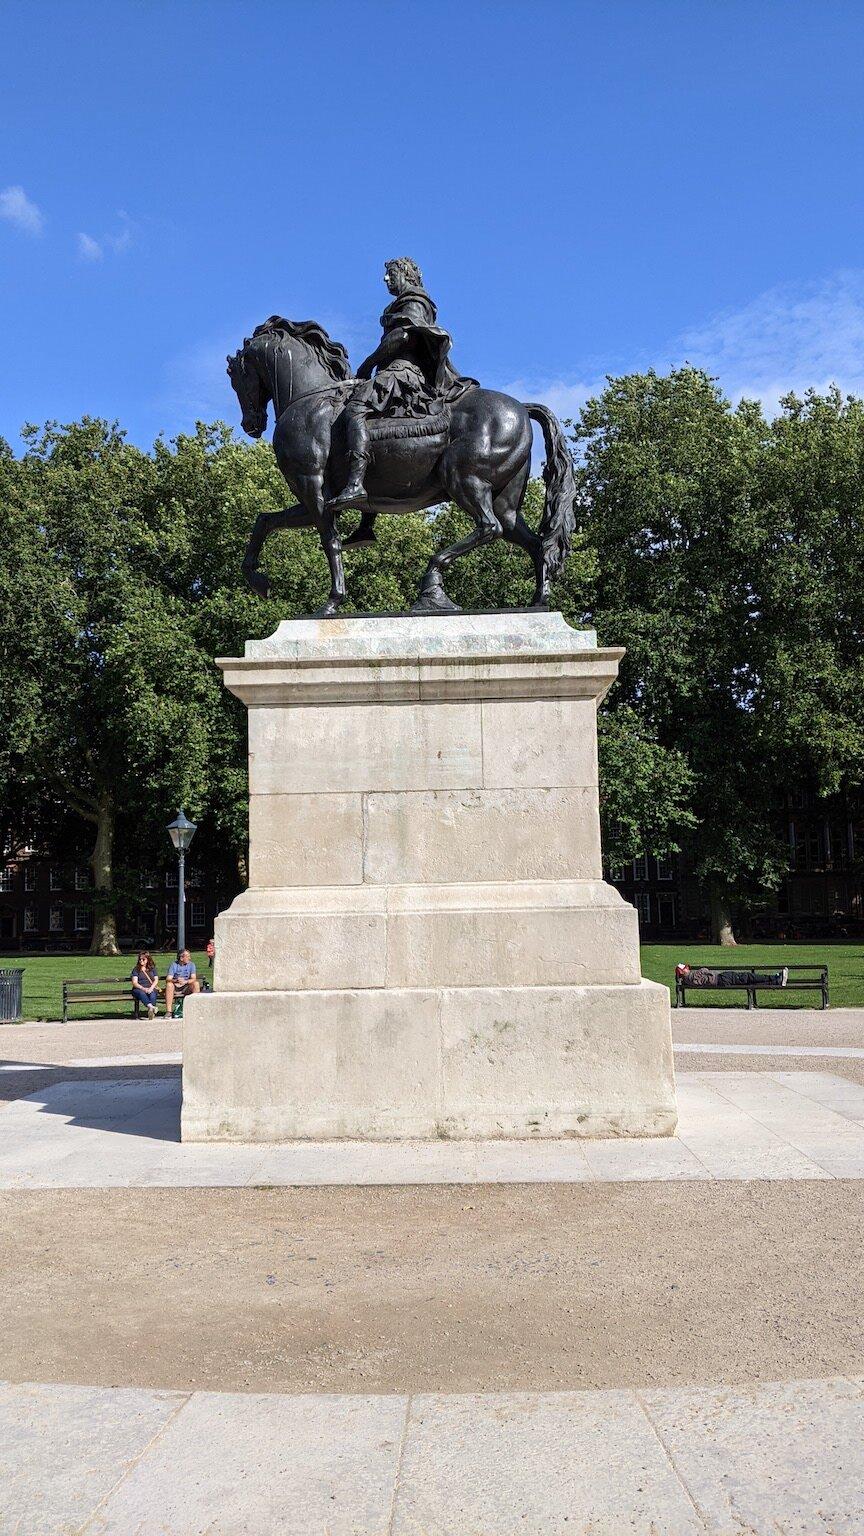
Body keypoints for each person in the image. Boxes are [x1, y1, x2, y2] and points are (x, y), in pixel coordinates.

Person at [326, 256, 476, 515]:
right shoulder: (409, 303)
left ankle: (355, 484)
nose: (386, 279)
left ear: (406, 275)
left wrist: (368, 363)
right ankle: (367, 518)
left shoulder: (413, 301)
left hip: (403, 374)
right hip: (399, 372)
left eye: (391, 274)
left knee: (355, 409)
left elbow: (402, 336)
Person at [165, 949, 200, 1016]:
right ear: (181, 958)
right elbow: (168, 979)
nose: (189, 958)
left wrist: (186, 981)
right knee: (169, 985)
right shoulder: (174, 965)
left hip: (186, 987)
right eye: (188, 956)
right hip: (175, 987)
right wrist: (176, 980)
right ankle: (169, 1011)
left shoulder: (191, 965)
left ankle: (195, 1010)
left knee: (196, 983)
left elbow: (193, 978)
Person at [131, 951, 159, 1020]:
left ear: (148, 960)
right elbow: (135, 982)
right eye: (140, 959)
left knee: (152, 993)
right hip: (139, 988)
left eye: (143, 959)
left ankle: (151, 1011)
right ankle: (151, 1007)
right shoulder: (136, 969)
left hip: (150, 987)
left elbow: (156, 980)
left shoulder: (152, 969)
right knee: (141, 993)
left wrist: (151, 988)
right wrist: (143, 988)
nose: (141, 961)